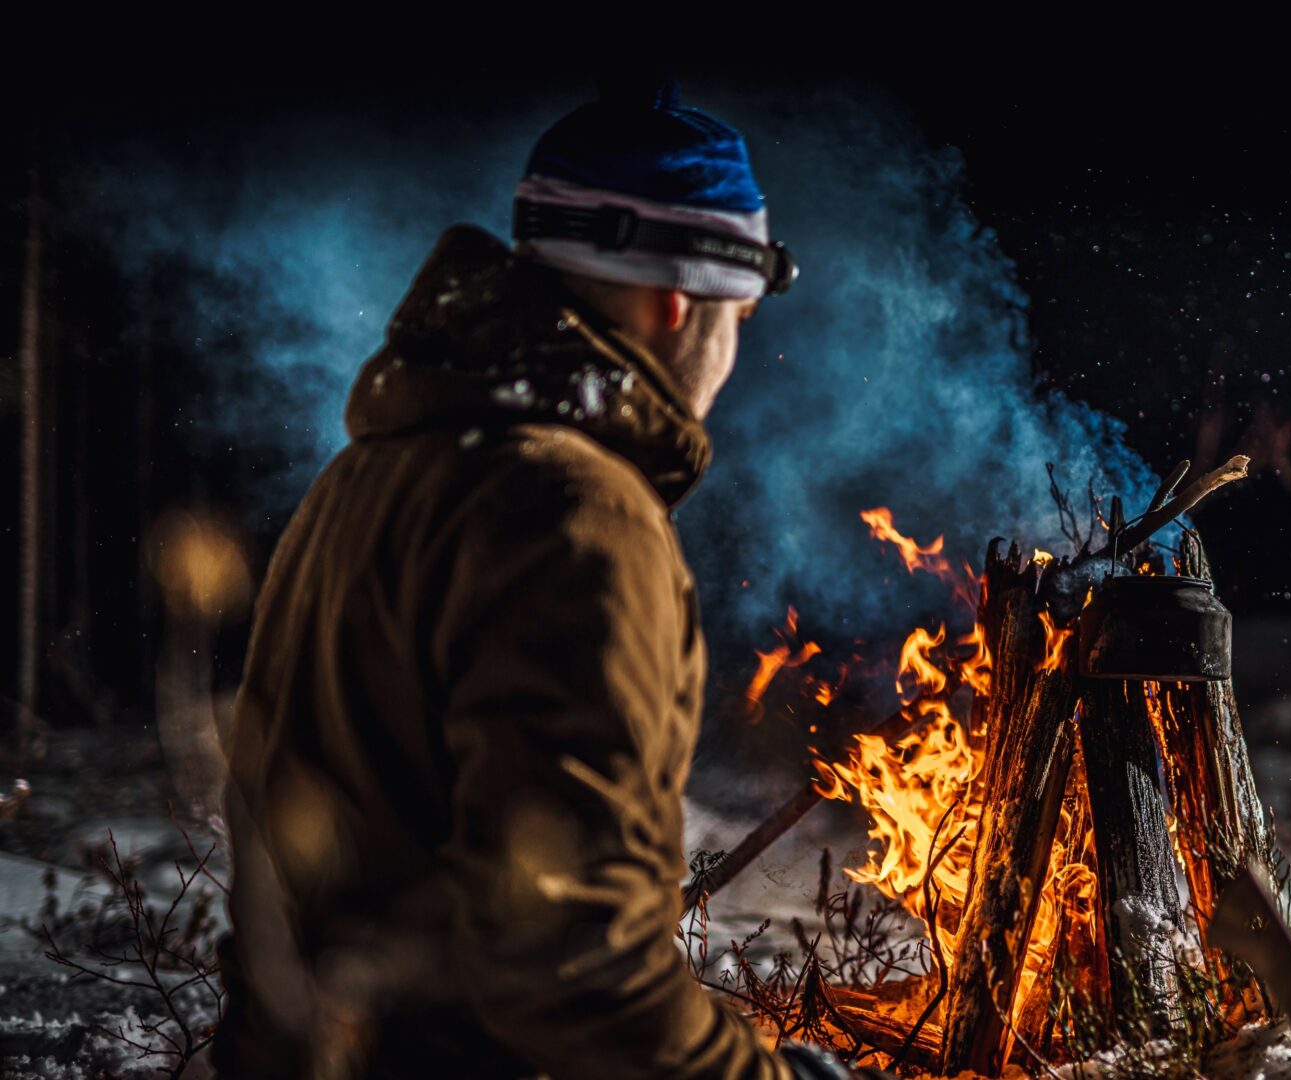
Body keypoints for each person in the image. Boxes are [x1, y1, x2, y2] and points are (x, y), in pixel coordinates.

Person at [215, 83, 864, 1079]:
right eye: (738, 316)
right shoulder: (574, 512)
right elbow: (576, 975)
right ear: (677, 302)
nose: (730, 356)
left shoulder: (366, 475)